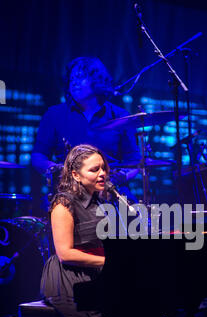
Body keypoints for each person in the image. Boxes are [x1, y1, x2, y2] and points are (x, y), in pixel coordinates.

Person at [40, 143, 174, 317]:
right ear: (76, 175)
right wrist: (109, 263)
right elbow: (65, 253)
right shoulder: (63, 204)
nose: (102, 173)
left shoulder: (106, 201)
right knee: (133, 312)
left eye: (104, 168)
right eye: (94, 169)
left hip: (101, 271)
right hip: (70, 277)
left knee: (152, 310)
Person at [31, 56, 140, 206]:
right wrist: (57, 170)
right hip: (68, 194)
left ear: (97, 81)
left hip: (111, 194)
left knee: (135, 218)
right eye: (71, 78)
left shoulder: (120, 116)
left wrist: (115, 179)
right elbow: (38, 156)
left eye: (81, 77)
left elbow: (134, 162)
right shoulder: (54, 114)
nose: (74, 82)